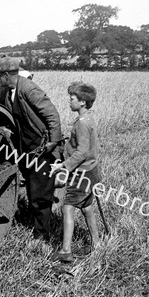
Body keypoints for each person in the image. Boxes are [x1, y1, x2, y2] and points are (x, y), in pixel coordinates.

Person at [0, 56, 63, 240]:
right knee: (32, 189)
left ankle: (42, 236)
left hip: (42, 149)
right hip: (26, 150)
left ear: (7, 75)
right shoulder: (8, 91)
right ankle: (37, 226)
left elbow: (52, 114)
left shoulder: (28, 88)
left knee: (40, 196)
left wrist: (53, 141)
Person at [50, 82, 101, 261]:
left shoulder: (81, 124)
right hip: (92, 171)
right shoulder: (89, 118)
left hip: (82, 174)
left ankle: (65, 250)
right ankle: (97, 243)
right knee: (87, 207)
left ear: (82, 103)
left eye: (72, 99)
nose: (69, 102)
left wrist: (63, 166)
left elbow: (82, 152)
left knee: (68, 208)